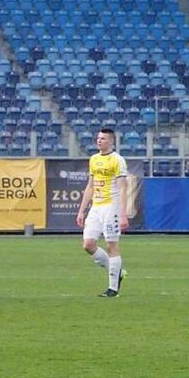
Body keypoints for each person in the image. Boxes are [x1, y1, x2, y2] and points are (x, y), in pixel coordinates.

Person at [75, 127, 129, 297]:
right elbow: (90, 186)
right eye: (98, 138)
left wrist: (122, 214)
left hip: (111, 206)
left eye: (104, 138)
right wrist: (82, 210)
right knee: (88, 245)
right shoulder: (94, 159)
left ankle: (113, 288)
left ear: (112, 141)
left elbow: (123, 188)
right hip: (96, 207)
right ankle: (118, 271)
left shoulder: (117, 160)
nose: (100, 141)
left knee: (111, 245)